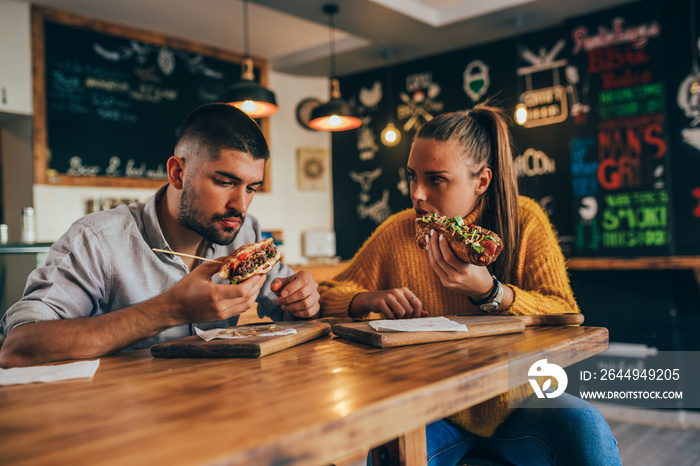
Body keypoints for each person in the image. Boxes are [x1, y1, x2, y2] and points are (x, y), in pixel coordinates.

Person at [318, 104, 621, 465]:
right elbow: (325, 295)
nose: (417, 194)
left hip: (516, 401)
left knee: (586, 427)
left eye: (436, 179)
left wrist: (491, 293)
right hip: (431, 407)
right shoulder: (398, 233)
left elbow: (566, 312)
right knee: (388, 452)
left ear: (482, 181)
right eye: (412, 177)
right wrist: (367, 298)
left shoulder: (524, 220)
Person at [0, 103, 320, 368]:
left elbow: (288, 309)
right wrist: (171, 309)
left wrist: (300, 300)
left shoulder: (244, 233)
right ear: (178, 173)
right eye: (225, 182)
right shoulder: (96, 240)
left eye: (251, 188)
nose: (241, 205)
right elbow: (18, 346)